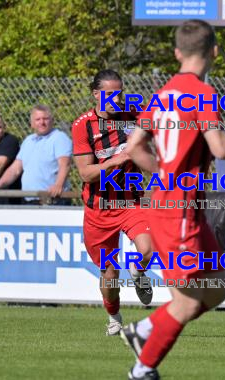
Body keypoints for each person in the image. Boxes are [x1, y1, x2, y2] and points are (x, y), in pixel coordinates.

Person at [122, 19, 225, 380]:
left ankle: (143, 330)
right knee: (188, 301)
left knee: (216, 290)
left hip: (179, 207)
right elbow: (219, 146)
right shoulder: (203, 94)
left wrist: (161, 172)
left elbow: (133, 146)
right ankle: (143, 369)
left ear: (177, 53)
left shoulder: (161, 94)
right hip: (178, 213)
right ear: (215, 51)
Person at [72, 69, 156, 336]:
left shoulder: (132, 113)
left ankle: (139, 273)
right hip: (99, 209)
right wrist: (114, 162)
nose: (115, 98)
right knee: (109, 274)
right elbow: (86, 173)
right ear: (96, 94)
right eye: (109, 93)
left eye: (119, 93)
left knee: (148, 247)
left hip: (131, 202)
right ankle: (114, 316)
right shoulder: (83, 125)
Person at [0, 105, 72, 205]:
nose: (42, 122)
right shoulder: (28, 141)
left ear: (52, 120)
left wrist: (58, 185)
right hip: (29, 200)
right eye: (38, 119)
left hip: (53, 200)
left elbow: (65, 164)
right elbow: (15, 170)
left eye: (45, 118)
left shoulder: (59, 138)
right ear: (31, 123)